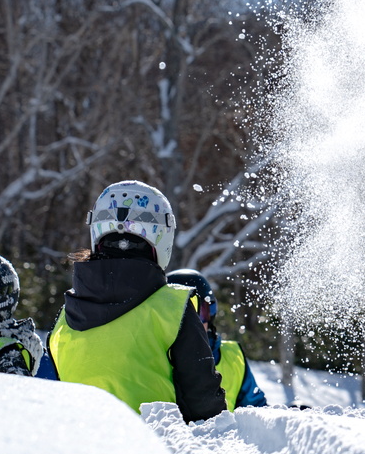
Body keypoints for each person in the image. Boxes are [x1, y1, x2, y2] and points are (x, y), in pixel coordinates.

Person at [47, 180, 226, 422]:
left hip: (79, 446)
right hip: (151, 450)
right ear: (162, 236)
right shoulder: (173, 307)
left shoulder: (66, 315)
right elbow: (204, 403)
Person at [167, 268, 267, 410]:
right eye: (181, 316)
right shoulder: (155, 357)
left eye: (200, 313)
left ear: (211, 315)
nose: (192, 324)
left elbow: (257, 411)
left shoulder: (232, 357)